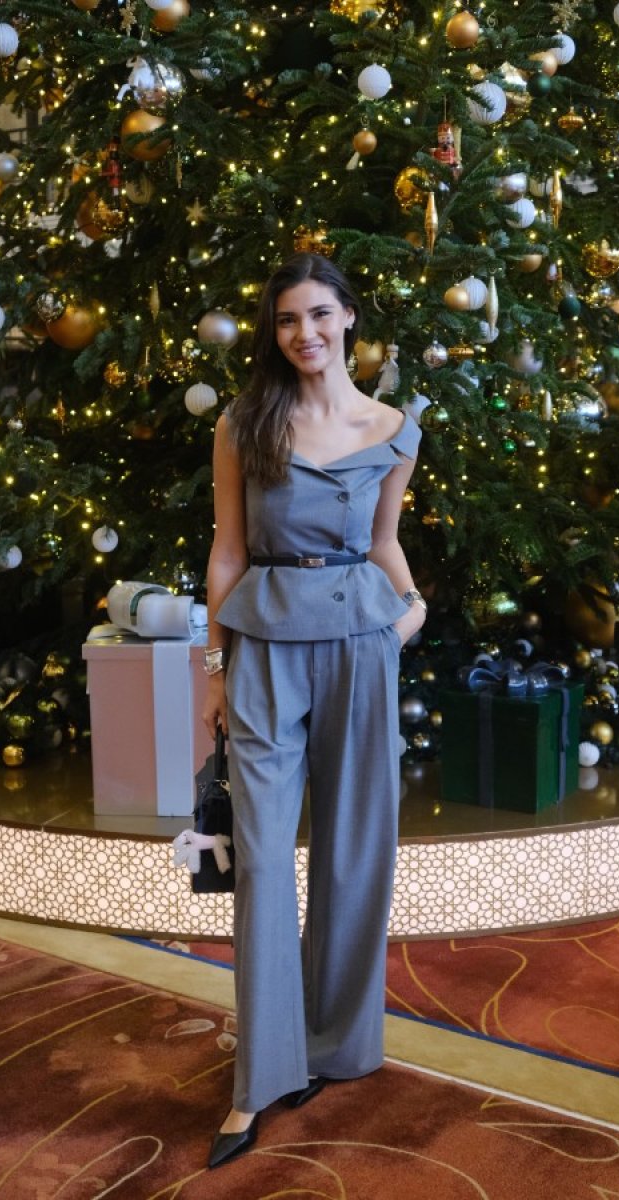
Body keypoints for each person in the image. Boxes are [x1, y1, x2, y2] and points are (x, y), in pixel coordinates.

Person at [201, 252, 426, 1170]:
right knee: (261, 857)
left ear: (349, 318)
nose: (306, 334)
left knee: (354, 847)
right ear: (275, 331)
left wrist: (411, 617)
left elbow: (385, 545)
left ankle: (331, 1044)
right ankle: (260, 1076)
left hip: (361, 645)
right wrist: (214, 670)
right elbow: (227, 550)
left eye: (321, 314)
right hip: (263, 647)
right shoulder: (245, 423)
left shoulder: (396, 430)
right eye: (289, 319)